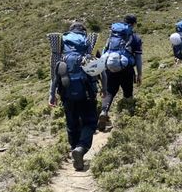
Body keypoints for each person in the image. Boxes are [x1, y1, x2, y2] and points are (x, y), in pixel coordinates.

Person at [49, 22, 101, 171]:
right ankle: (81, 148)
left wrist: (52, 95)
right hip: (87, 94)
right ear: (83, 35)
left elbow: (55, 78)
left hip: (67, 95)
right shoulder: (88, 53)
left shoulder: (61, 57)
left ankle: (74, 149)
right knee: (90, 122)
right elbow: (101, 72)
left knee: (71, 123)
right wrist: (104, 89)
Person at [98, 14, 143, 131]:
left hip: (109, 68)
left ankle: (104, 111)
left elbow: (104, 51)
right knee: (128, 92)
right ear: (133, 24)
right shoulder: (135, 38)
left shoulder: (112, 36)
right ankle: (128, 119)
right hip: (126, 68)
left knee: (110, 91)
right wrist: (139, 74)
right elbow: (138, 58)